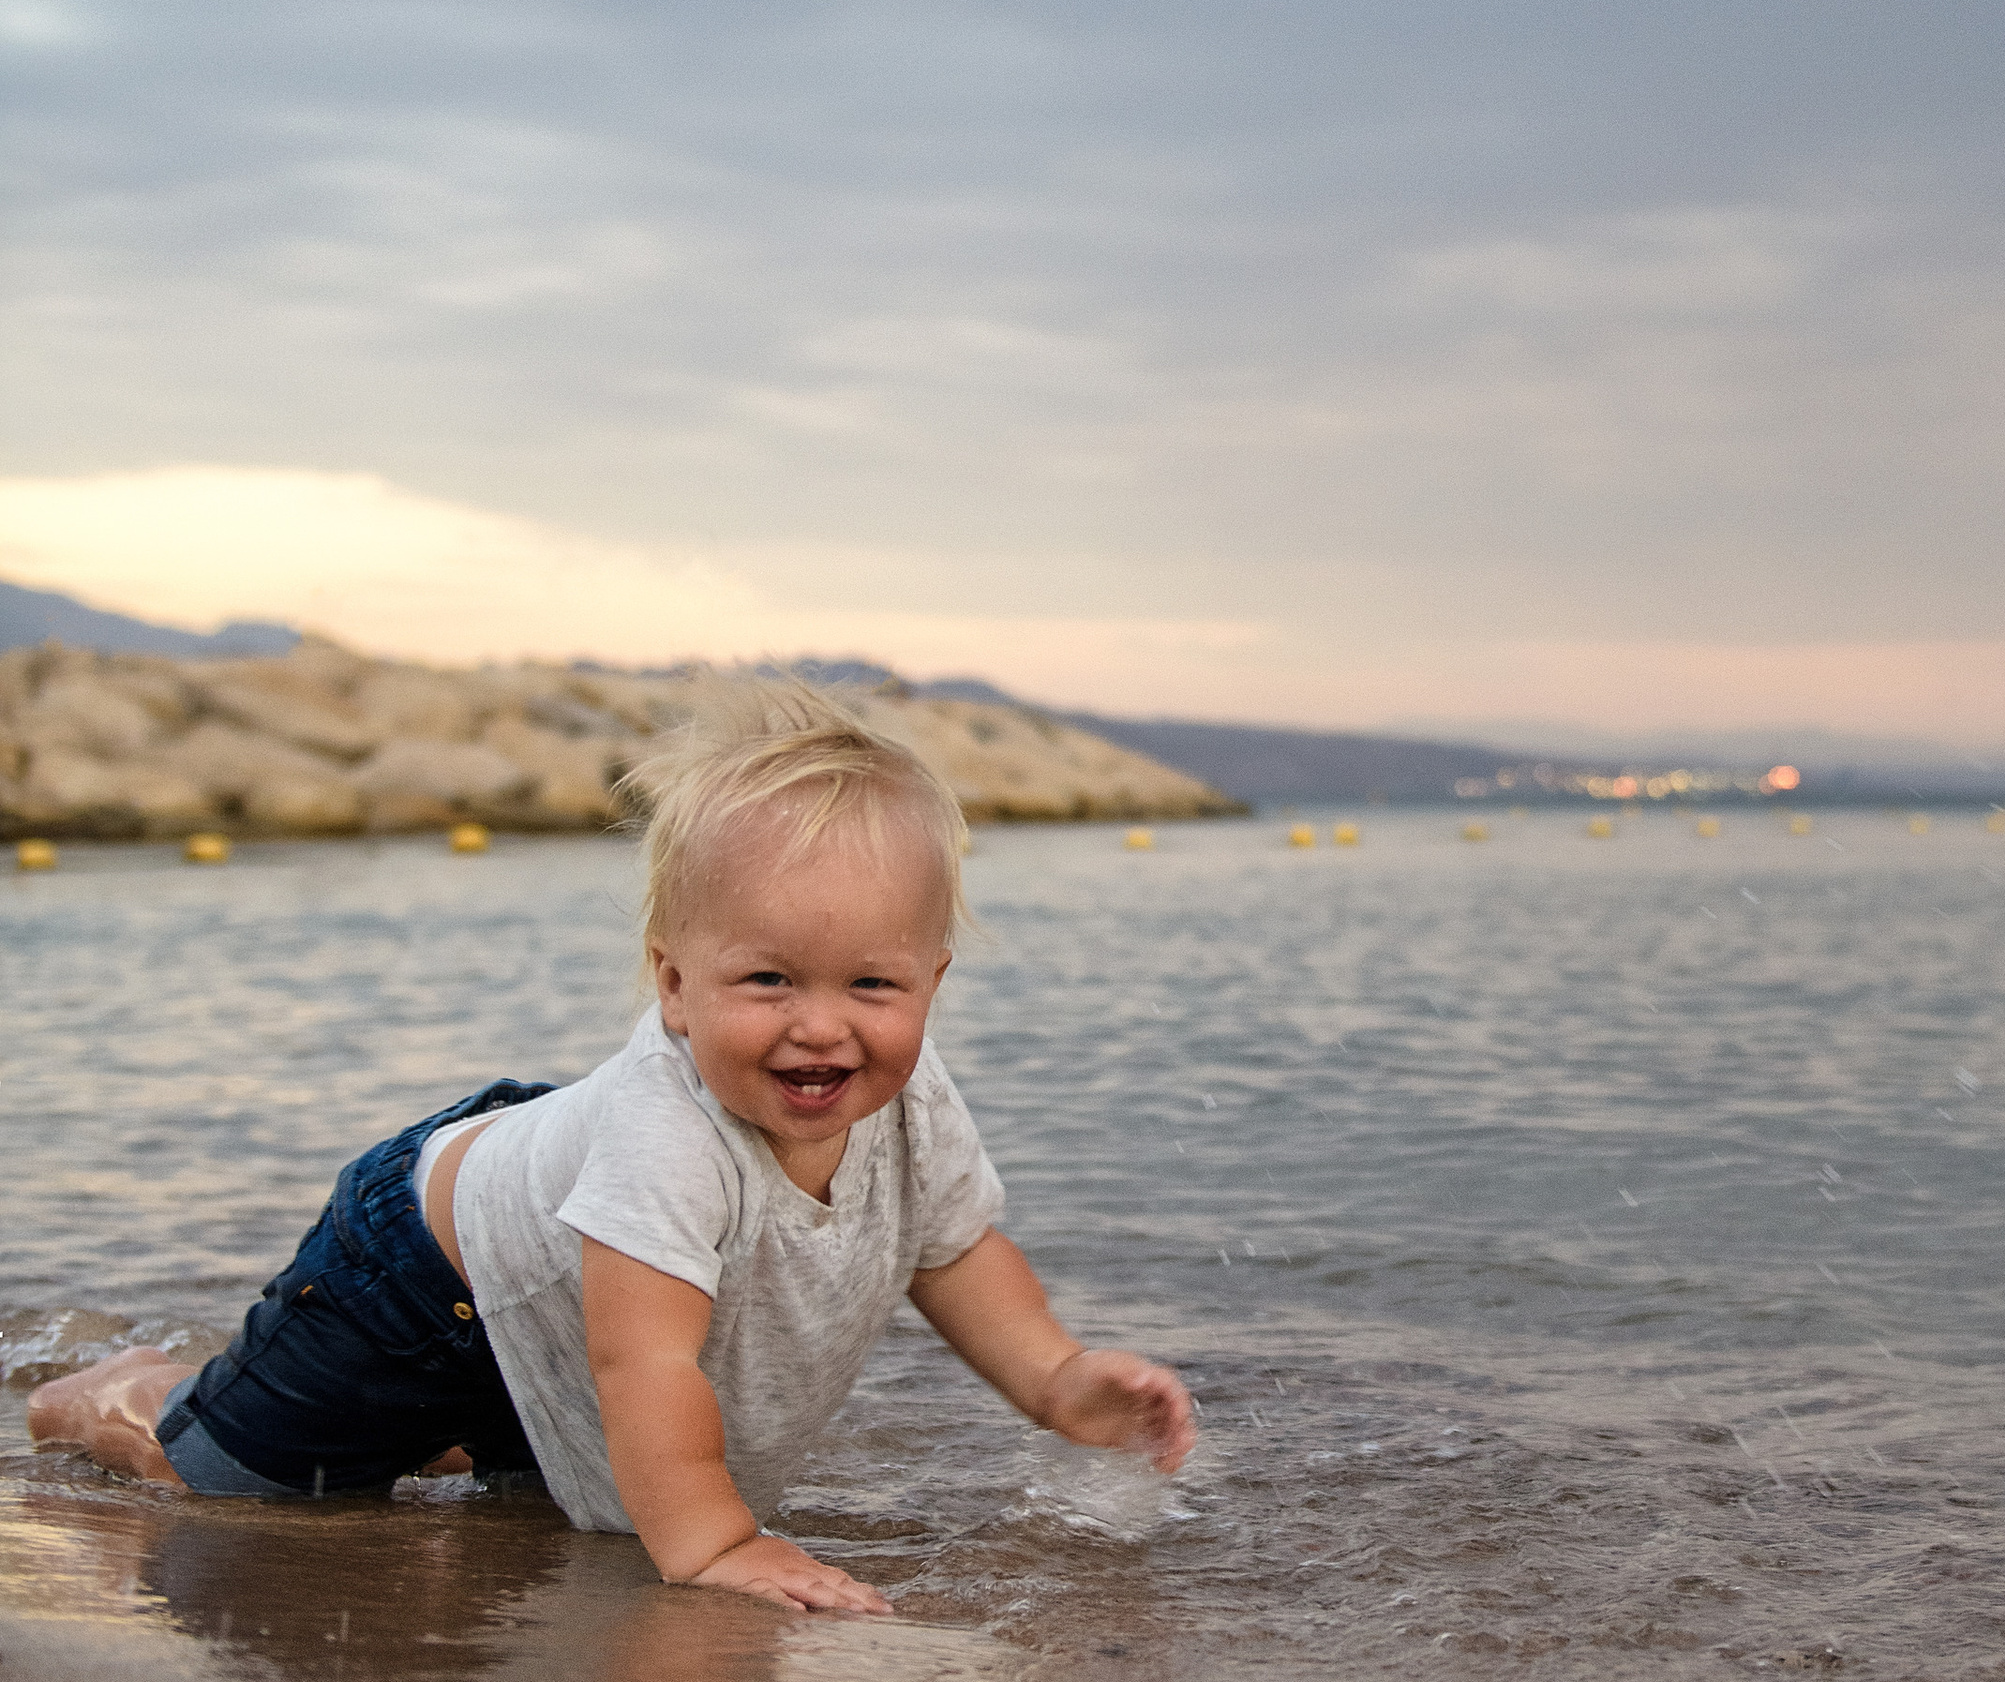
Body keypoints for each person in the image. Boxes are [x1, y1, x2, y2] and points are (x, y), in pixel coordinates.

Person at [30, 678, 1195, 1613]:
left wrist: (1054, 1379)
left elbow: (951, 1250)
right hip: (416, 1272)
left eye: (872, 984)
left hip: (549, 1264)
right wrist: (718, 1542)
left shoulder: (908, 1094)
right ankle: (125, 1394)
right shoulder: (665, 1136)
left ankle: (447, 1428)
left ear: (931, 981)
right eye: (768, 979)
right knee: (234, 1485)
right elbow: (646, 1366)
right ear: (674, 985)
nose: (821, 1023)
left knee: (520, 1482)